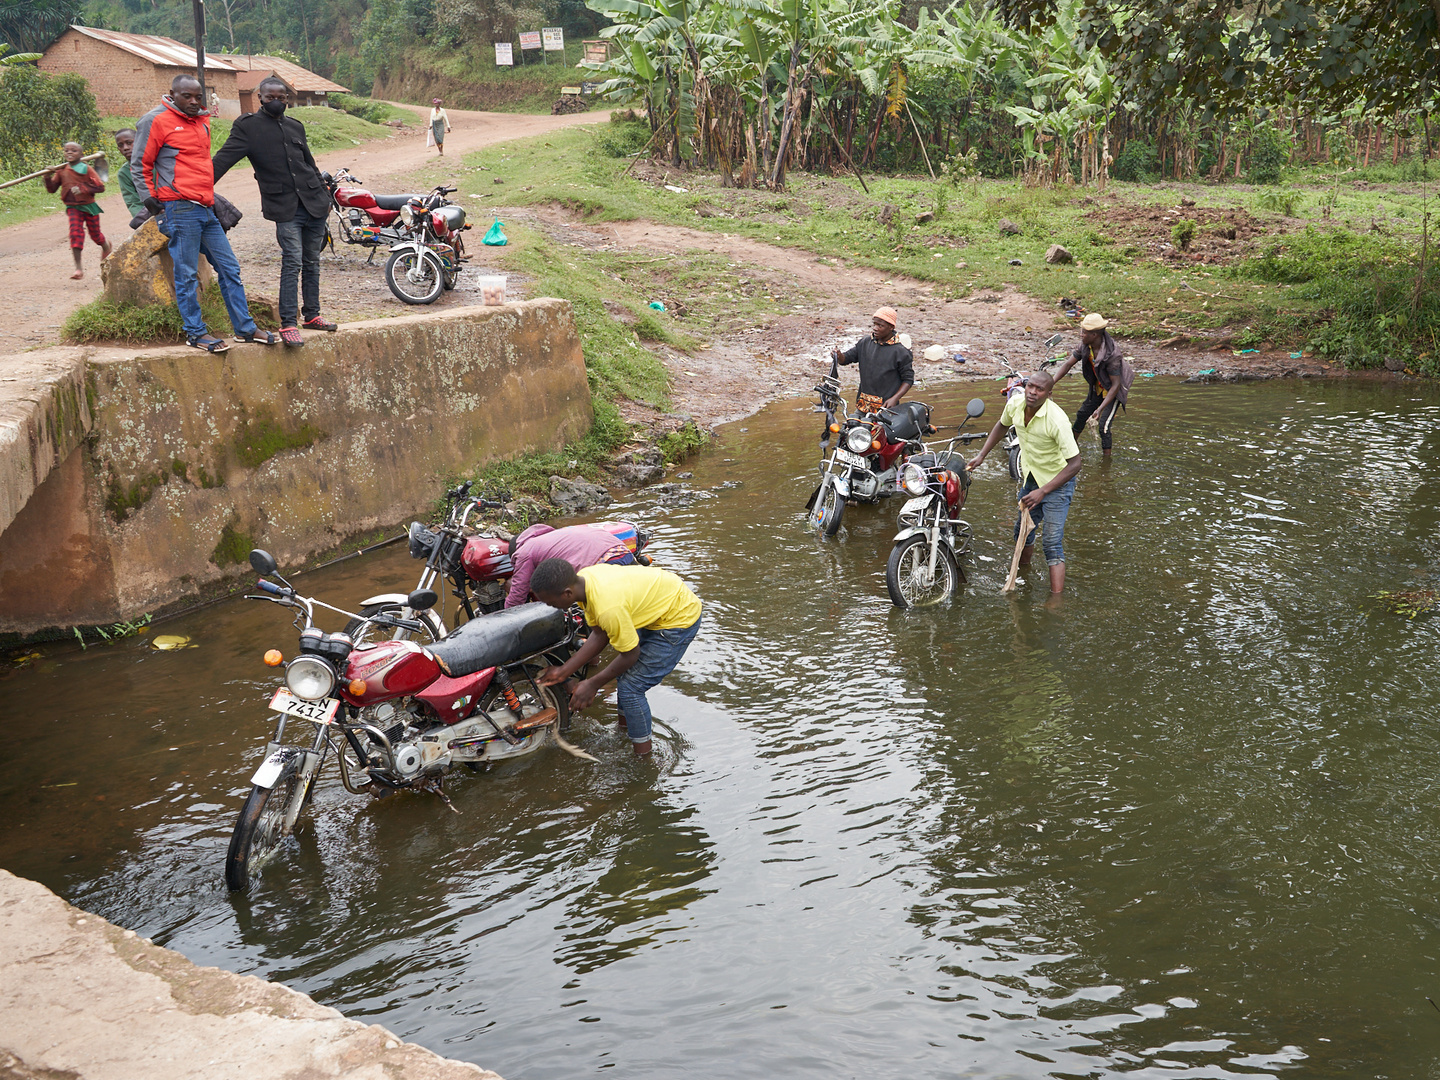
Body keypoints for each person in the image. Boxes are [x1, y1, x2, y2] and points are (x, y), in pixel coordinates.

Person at [134, 74, 277, 353]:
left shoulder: (201, 120)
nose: (193, 101)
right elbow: (141, 162)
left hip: (205, 206)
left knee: (229, 268)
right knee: (186, 273)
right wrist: (150, 199)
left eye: (198, 96)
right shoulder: (155, 120)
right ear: (172, 93)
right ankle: (195, 333)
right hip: (179, 207)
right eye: (186, 96)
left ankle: (245, 329)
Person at [212, 76, 338, 347]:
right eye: (271, 98)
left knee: (312, 261)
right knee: (292, 260)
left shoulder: (295, 126)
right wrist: (197, 188)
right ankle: (288, 323)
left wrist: (325, 196)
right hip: (284, 207)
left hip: (314, 203)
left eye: (282, 98)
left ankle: (312, 315)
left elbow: (310, 164)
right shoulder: (247, 128)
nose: (277, 102)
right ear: (260, 97)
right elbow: (222, 160)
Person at [531, 559, 701, 758]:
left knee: (632, 687)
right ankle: (624, 731)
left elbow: (631, 654)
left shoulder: (608, 607)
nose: (551, 606)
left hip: (678, 616)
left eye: (551, 602)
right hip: (659, 600)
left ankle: (643, 759)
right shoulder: (585, 582)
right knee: (624, 677)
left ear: (567, 593)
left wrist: (592, 684)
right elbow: (599, 634)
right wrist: (564, 670)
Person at [967, 369, 1082, 595]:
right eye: (1031, 386)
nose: (1032, 392)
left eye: (1040, 390)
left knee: (1051, 543)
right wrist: (982, 454)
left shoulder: (1057, 420)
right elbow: (1001, 425)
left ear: (1049, 394)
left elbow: (1075, 464)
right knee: (1022, 532)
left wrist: (1043, 492)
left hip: (1058, 483)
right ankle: (1022, 575)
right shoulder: (1015, 404)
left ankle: (1056, 600)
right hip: (1032, 477)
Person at [502, 523, 636, 609]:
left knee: (603, 614)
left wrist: (503, 622)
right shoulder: (554, 535)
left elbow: (517, 597)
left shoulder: (524, 552)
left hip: (603, 563)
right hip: (623, 552)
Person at [1053, 312, 1130, 457]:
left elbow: (1116, 386)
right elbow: (1068, 364)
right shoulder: (1085, 346)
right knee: (1082, 415)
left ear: (1094, 335)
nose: (1081, 335)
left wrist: (1100, 409)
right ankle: (1069, 451)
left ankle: (1106, 463)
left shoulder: (1112, 354)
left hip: (1113, 393)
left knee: (1103, 427)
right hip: (1098, 388)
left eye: (1084, 332)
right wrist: (1051, 383)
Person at [44, 142, 110, 280]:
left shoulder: (86, 169)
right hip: (73, 207)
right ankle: (78, 268)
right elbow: (52, 189)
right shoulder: (61, 171)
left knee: (95, 235)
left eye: (73, 151)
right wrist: (47, 177)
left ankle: (106, 246)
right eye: (66, 150)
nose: (69, 153)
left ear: (81, 154)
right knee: (75, 233)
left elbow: (100, 187)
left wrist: (83, 188)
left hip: (89, 206)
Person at [831, 306, 914, 414]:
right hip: (862, 406)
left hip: (886, 408)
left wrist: (894, 399)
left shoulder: (900, 352)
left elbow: (908, 380)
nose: (875, 328)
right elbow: (846, 359)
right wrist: (838, 355)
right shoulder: (865, 342)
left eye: (880, 325)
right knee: (853, 427)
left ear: (891, 327)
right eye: (874, 324)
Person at [112, 129, 147, 224]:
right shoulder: (124, 173)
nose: (125, 148)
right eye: (120, 145)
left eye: (129, 142)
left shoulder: (157, 161)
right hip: (150, 212)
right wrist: (144, 221)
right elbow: (132, 201)